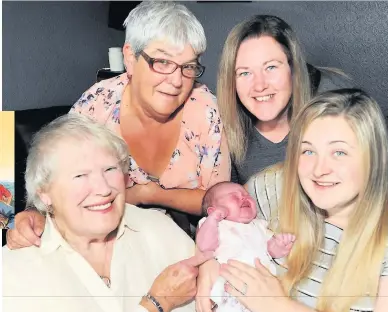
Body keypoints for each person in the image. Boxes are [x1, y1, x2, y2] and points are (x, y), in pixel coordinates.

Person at [215, 14, 388, 296]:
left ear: (294, 68)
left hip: (351, 256)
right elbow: (229, 209)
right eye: (244, 73)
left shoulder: (336, 105)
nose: (259, 85)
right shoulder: (229, 126)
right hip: (283, 262)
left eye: (271, 67)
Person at [204, 89, 388, 312]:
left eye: (339, 152)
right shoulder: (273, 190)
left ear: (373, 158)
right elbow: (218, 221)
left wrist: (276, 306)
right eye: (308, 151)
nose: (319, 170)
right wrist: (208, 262)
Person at [7, 1, 231, 247]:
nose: (177, 81)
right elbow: (55, 179)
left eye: (188, 66)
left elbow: (220, 201)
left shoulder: (206, 109)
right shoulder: (98, 104)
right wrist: (34, 215)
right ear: (130, 58)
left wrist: (149, 194)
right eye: (163, 62)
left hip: (186, 242)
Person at [2, 114, 211, 312]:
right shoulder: (14, 271)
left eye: (110, 170)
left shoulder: (158, 228)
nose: (103, 188)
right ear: (44, 193)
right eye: (80, 176)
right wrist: (156, 306)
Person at [196, 181, 295, 312]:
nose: (244, 197)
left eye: (247, 195)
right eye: (234, 196)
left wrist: (279, 245)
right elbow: (205, 246)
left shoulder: (259, 226)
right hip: (233, 288)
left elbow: (271, 251)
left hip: (263, 292)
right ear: (213, 210)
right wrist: (212, 220)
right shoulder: (215, 225)